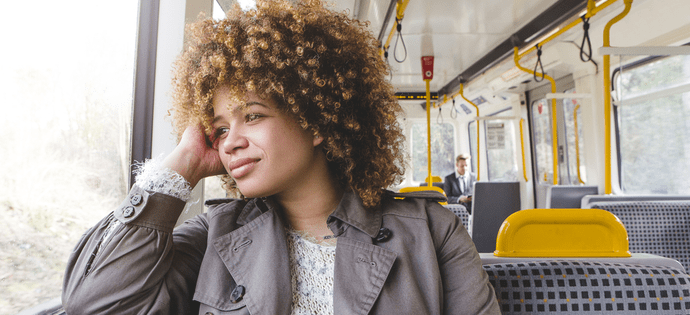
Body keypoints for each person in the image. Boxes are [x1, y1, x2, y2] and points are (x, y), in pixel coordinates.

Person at [61, 1, 499, 314]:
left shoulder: (431, 233)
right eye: (218, 130)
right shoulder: (212, 236)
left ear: (317, 120)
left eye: (252, 116)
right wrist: (183, 164)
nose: (229, 142)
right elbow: (95, 304)